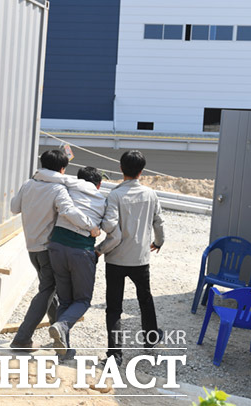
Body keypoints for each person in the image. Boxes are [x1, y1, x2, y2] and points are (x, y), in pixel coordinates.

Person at [10, 150, 100, 351]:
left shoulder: (28, 184)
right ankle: (22, 338)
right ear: (62, 169)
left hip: (31, 246)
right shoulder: (58, 189)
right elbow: (69, 211)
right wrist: (91, 226)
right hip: (48, 247)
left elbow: (14, 207)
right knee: (47, 290)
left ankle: (57, 330)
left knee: (50, 288)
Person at [33, 166, 120, 357]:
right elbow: (111, 228)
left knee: (64, 300)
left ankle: (63, 350)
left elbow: (49, 175)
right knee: (82, 300)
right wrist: (99, 247)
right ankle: (62, 326)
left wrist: (37, 173)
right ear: (98, 185)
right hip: (81, 251)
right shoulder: (101, 199)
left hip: (56, 247)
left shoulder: (69, 187)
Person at [98, 150, 165, 366]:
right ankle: (150, 339)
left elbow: (110, 225)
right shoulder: (150, 194)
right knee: (145, 299)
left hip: (116, 258)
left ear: (120, 168)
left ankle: (115, 354)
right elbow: (159, 222)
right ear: (142, 171)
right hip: (140, 258)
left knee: (114, 306)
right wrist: (158, 242)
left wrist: (101, 248)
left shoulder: (115, 195)